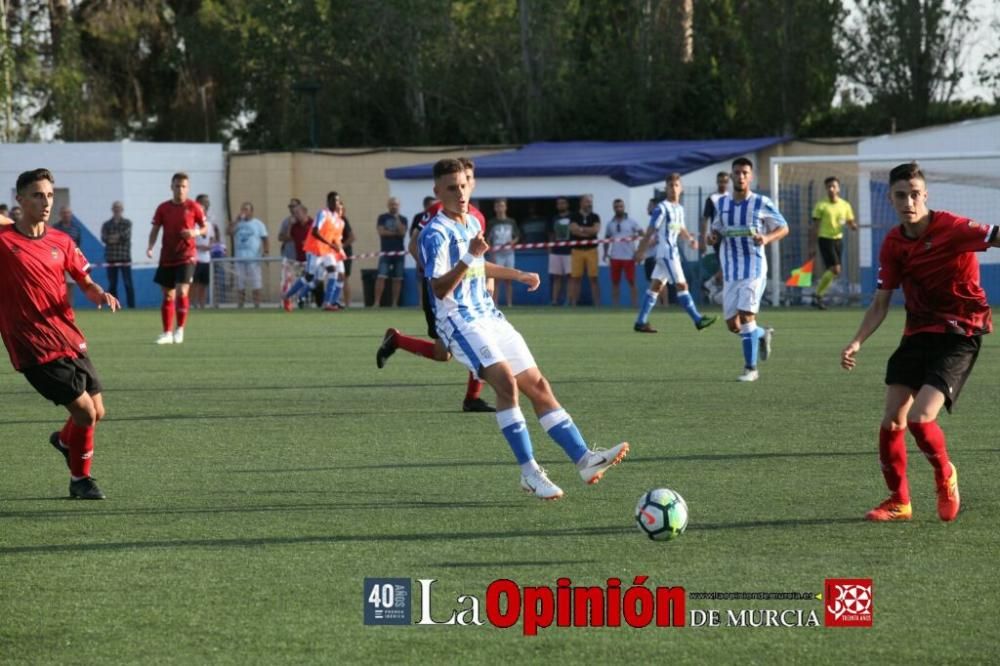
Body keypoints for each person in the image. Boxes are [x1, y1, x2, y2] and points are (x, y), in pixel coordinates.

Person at [407, 158, 629, 499]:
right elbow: (438, 288)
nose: (461, 192)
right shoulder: (434, 234)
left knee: (538, 384)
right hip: (459, 320)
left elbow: (479, 265)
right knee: (506, 384)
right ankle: (529, 472)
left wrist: (518, 275)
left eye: (464, 185)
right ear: (438, 192)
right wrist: (468, 257)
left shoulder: (469, 225)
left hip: (489, 316)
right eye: (452, 187)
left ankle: (584, 458)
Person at [841, 162, 996, 523]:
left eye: (915, 194)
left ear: (925, 195)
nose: (908, 201)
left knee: (920, 419)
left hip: (960, 333)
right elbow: (881, 303)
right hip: (918, 332)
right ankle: (899, 502)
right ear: (890, 198)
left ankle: (945, 475)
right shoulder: (894, 244)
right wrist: (856, 342)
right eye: (901, 195)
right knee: (892, 420)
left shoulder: (954, 228)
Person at [0, 168, 121, 499]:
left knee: (98, 412)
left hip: (67, 335)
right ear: (19, 200)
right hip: (32, 344)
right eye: (38, 195)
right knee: (83, 412)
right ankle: (80, 480)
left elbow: (84, 280)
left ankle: (66, 441)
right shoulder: (4, 242)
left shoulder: (62, 241)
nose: (46, 201)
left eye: (50, 195)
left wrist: (98, 294)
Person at [385, 158, 495, 413]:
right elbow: (415, 244)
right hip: (444, 294)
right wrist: (438, 274)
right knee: (454, 350)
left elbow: (480, 254)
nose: (462, 187)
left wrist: (489, 278)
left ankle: (398, 341)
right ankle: (474, 398)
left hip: (472, 294)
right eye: (457, 183)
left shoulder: (477, 216)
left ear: (472, 183)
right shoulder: (437, 212)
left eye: (466, 181)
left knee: (455, 348)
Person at [706, 158, 788, 382]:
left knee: (746, 315)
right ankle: (762, 334)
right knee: (734, 325)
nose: (740, 176)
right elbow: (715, 231)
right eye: (737, 173)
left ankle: (751, 369)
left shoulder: (761, 202)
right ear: (731, 176)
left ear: (750, 177)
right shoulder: (721, 205)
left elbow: (783, 227)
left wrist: (767, 237)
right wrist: (711, 237)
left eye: (744, 173)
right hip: (731, 270)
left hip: (754, 268)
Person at [634, 174, 716, 333]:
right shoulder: (662, 208)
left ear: (681, 188)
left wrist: (690, 240)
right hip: (667, 252)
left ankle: (641, 321)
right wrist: (641, 251)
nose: (673, 188)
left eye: (676, 185)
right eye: (670, 185)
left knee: (655, 287)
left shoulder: (679, 208)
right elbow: (651, 230)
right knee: (682, 285)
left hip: (671, 252)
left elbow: (681, 228)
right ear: (666, 189)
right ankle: (698, 319)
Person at [147, 172, 207, 344]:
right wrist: (150, 246)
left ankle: (179, 330)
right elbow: (155, 229)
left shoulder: (194, 207)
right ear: (171, 187)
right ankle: (167, 333)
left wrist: (194, 232)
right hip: (167, 256)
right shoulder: (163, 208)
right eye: (177, 186)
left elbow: (204, 228)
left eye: (183, 186)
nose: (180, 189)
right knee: (167, 295)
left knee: (182, 291)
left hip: (186, 256)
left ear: (187, 188)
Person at [284, 191, 345, 311]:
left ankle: (328, 303)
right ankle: (286, 296)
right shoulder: (323, 213)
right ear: (328, 202)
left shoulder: (336, 218)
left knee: (333, 272)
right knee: (309, 277)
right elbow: (315, 232)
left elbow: (333, 236)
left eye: (337, 200)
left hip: (327, 250)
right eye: (333, 200)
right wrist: (330, 244)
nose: (336, 203)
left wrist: (337, 247)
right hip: (315, 249)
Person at [809, 176, 858, 309]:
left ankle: (818, 295)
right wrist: (812, 245)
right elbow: (815, 227)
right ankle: (818, 294)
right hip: (825, 239)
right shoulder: (821, 205)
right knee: (835, 268)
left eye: (834, 186)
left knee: (835, 270)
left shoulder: (845, 205)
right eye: (829, 187)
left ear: (838, 188)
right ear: (826, 189)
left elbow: (849, 220)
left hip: (838, 239)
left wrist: (853, 225)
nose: (831, 189)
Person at [227, 202, 270, 308]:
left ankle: (257, 305)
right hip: (240, 258)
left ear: (251, 211)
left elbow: (265, 239)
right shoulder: (238, 223)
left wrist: (266, 252)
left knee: (256, 283)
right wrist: (236, 221)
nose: (244, 211)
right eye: (242, 209)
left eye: (246, 209)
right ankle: (240, 305)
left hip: (253, 258)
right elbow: (228, 232)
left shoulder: (258, 224)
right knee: (240, 283)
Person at [603, 198, 642, 306]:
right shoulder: (610, 224)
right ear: (613, 208)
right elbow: (606, 239)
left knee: (632, 282)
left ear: (624, 207)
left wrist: (639, 251)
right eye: (616, 207)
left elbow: (642, 233)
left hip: (629, 257)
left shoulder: (631, 222)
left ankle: (635, 305)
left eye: (620, 206)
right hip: (615, 257)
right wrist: (605, 253)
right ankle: (615, 306)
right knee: (615, 282)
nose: (618, 209)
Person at [700, 171, 729, 301]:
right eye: (720, 181)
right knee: (725, 264)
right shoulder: (712, 199)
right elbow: (705, 219)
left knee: (729, 264)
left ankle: (711, 284)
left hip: (731, 235)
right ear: (717, 182)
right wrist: (703, 240)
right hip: (718, 236)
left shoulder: (732, 197)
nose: (722, 184)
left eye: (725, 181)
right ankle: (715, 286)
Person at [567, 194, 601, 306]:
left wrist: (581, 229)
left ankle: (597, 304)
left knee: (594, 278)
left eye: (590, 201)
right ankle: (573, 304)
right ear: (581, 203)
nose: (589, 204)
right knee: (575, 278)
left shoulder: (595, 216)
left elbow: (595, 230)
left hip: (592, 250)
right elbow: (573, 230)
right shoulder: (574, 216)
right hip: (577, 250)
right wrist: (588, 231)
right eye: (587, 201)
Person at [100, 200, 135, 308]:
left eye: (119, 208)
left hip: (124, 258)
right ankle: (114, 306)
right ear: (112, 210)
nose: (117, 210)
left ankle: (131, 307)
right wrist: (117, 237)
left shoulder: (127, 223)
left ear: (122, 210)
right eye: (115, 208)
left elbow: (125, 236)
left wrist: (113, 238)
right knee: (112, 284)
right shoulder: (106, 224)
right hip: (111, 258)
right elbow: (104, 238)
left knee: (128, 284)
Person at [374, 197, 408, 307]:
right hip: (385, 252)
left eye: (396, 204)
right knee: (381, 277)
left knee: (397, 279)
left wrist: (397, 219)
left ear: (399, 206)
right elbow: (381, 232)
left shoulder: (403, 219)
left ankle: (394, 303)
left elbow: (402, 233)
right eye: (392, 204)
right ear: (388, 205)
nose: (394, 206)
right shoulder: (382, 218)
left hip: (399, 253)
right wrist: (395, 233)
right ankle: (377, 302)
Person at [487, 198, 521, 307]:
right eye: (498, 206)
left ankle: (509, 303)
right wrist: (491, 251)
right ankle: (494, 303)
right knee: (496, 279)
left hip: (509, 253)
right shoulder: (492, 222)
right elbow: (488, 239)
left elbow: (517, 237)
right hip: (497, 254)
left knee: (509, 279)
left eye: (502, 206)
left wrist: (512, 242)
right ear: (495, 208)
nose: (500, 208)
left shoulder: (511, 222)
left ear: (505, 207)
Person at [279, 202, 312, 311]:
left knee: (312, 281)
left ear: (305, 212)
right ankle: (290, 301)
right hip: (298, 259)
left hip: (311, 259)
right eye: (294, 213)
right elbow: (288, 237)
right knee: (297, 281)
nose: (296, 215)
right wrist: (290, 224)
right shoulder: (294, 226)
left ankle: (304, 300)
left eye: (298, 213)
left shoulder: (313, 223)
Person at [192, 193, 221, 309]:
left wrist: (210, 246)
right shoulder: (192, 222)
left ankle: (202, 304)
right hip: (195, 258)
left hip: (206, 259)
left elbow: (212, 239)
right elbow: (189, 238)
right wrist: (197, 247)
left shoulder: (209, 224)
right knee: (193, 283)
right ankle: (191, 303)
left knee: (204, 284)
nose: (206, 205)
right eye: (203, 203)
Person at [52, 206, 84, 307]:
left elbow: (78, 245)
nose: (66, 215)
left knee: (70, 285)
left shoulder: (76, 228)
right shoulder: (55, 228)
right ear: (60, 215)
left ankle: (69, 307)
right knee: (57, 285)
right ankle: (57, 307)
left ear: (71, 214)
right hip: (58, 261)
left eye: (68, 213)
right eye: (64, 213)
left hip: (71, 261)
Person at [547, 197, 573, 305]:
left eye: (563, 203)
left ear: (567, 204)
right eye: (559, 203)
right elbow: (551, 234)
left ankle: (569, 301)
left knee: (570, 277)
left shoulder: (572, 217)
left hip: (569, 251)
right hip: (556, 251)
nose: (561, 205)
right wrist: (550, 248)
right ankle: (554, 300)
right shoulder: (554, 218)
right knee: (556, 277)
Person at [340, 201, 356, 307]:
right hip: (333, 253)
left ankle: (347, 304)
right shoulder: (329, 221)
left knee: (344, 278)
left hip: (345, 253)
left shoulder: (343, 220)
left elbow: (352, 237)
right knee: (335, 277)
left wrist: (341, 247)